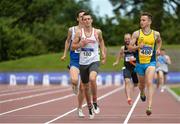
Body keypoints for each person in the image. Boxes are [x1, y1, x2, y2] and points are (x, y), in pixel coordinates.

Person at [72, 11, 106, 119]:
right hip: (83, 63)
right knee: (85, 87)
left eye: (88, 19)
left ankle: (95, 101)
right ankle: (90, 106)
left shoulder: (97, 32)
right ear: (82, 21)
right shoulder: (78, 33)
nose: (86, 21)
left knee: (92, 79)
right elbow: (72, 47)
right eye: (84, 19)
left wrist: (103, 53)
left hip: (94, 60)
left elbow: (101, 42)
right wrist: (80, 44)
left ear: (91, 20)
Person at [128, 12, 162, 116]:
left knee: (149, 82)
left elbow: (159, 41)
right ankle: (142, 93)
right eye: (140, 20)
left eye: (143, 20)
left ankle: (149, 106)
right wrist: (138, 47)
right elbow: (129, 47)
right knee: (141, 85)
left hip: (151, 62)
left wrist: (158, 49)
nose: (141, 22)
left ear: (149, 22)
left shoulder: (155, 34)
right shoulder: (136, 34)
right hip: (139, 63)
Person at [61, 9, 86, 118]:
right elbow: (67, 41)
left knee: (83, 88)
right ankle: (74, 84)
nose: (82, 18)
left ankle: (80, 108)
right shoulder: (71, 30)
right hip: (75, 60)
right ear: (77, 18)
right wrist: (65, 54)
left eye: (84, 17)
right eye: (81, 16)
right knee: (75, 81)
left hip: (86, 61)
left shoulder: (89, 31)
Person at [113, 33, 138, 105]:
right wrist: (117, 62)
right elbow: (120, 54)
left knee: (136, 83)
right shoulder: (123, 48)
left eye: (128, 39)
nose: (127, 40)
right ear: (124, 40)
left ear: (131, 39)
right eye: (125, 39)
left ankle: (135, 86)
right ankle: (129, 98)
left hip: (135, 68)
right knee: (127, 81)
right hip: (127, 67)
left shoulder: (135, 46)